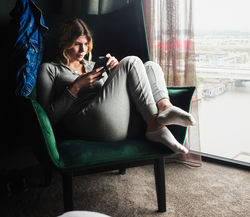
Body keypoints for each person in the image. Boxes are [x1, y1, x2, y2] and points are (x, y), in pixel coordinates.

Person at [37, 18, 195, 154]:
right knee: (131, 61)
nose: (83, 50)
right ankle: (156, 127)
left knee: (151, 66)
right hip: (89, 122)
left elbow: (113, 96)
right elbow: (46, 119)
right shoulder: (50, 69)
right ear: (65, 43)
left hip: (121, 121)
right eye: (77, 44)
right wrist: (76, 87)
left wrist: (115, 70)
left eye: (86, 44)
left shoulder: (94, 65)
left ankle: (164, 108)